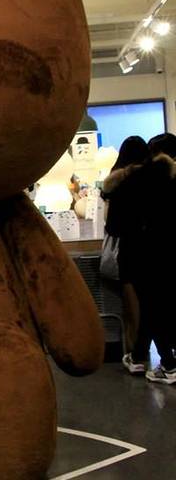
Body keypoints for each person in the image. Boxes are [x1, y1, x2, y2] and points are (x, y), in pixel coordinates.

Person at [104, 134, 176, 384]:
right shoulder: (164, 177)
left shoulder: (121, 185)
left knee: (151, 307)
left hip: (135, 254)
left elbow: (113, 228)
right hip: (165, 252)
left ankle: (168, 365)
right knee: (153, 305)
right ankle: (137, 357)